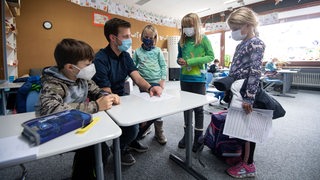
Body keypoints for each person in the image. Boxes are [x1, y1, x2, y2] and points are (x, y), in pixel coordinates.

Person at [36, 38, 115, 179]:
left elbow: (97, 91)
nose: (91, 67)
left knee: (101, 151)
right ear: (70, 67)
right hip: (60, 128)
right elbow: (51, 109)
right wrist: (95, 105)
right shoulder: (53, 82)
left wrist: (108, 96)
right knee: (94, 151)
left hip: (80, 124)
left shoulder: (82, 78)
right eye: (87, 64)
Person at [92, 18, 162, 166]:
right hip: (107, 101)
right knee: (133, 126)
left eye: (130, 36)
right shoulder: (100, 59)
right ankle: (120, 147)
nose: (130, 39)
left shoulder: (125, 56)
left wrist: (150, 88)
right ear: (113, 38)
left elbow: (137, 77)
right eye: (126, 36)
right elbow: (106, 93)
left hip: (123, 97)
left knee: (153, 112)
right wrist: (132, 112)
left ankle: (132, 141)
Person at [226, 7, 266, 178]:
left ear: (248, 25)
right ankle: (243, 158)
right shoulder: (241, 44)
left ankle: (249, 165)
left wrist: (249, 98)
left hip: (246, 91)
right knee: (240, 128)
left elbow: (255, 72)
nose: (234, 32)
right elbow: (236, 67)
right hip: (237, 89)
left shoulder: (256, 43)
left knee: (248, 130)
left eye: (236, 29)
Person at [176, 13, 214, 152]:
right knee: (186, 108)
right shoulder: (182, 41)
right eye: (184, 26)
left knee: (198, 110)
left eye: (190, 26)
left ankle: (199, 137)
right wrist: (179, 61)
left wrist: (190, 62)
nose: (187, 29)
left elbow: (211, 56)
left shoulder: (203, 39)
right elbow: (179, 57)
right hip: (184, 79)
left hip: (198, 80)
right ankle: (187, 135)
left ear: (196, 26)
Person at [132, 24, 168, 145]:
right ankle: (147, 127)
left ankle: (159, 131)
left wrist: (162, 80)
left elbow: (163, 66)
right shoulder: (137, 52)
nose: (148, 39)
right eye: (146, 36)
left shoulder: (158, 51)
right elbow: (132, 67)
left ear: (155, 38)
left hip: (156, 82)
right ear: (142, 37)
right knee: (146, 106)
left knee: (158, 108)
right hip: (143, 83)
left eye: (151, 37)